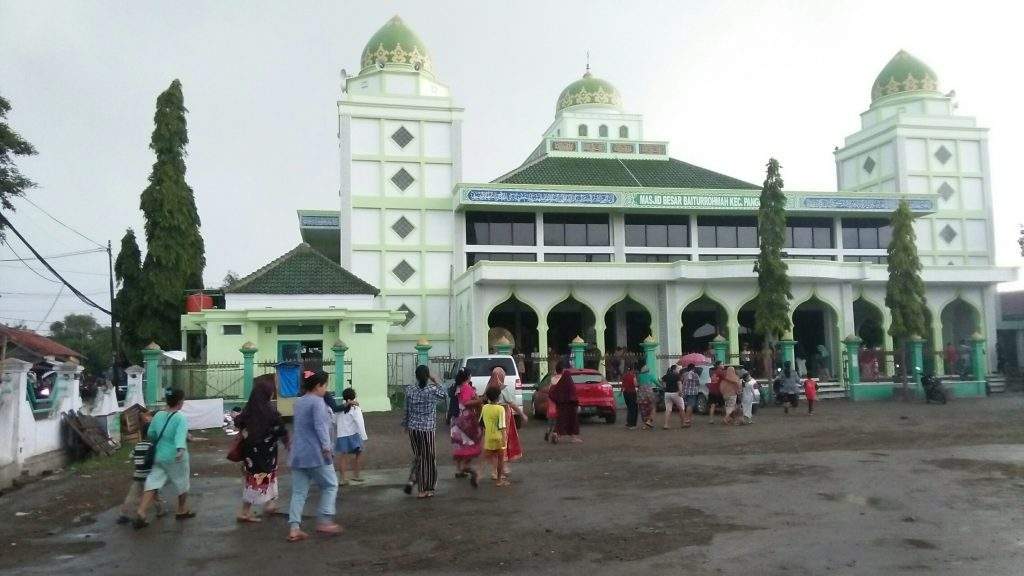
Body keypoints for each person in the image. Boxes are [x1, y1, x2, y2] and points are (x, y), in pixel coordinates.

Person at [286, 370, 341, 541]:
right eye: (325, 385)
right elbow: (320, 427)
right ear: (318, 386)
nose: (326, 389)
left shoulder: (299, 402)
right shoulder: (318, 403)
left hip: (298, 453)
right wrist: (327, 447)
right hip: (315, 452)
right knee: (331, 485)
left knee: (299, 492)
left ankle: (294, 527)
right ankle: (325, 520)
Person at [234, 375, 289, 523]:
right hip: (264, 455)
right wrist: (288, 445)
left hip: (251, 455)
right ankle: (244, 512)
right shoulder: (269, 412)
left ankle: (269, 504)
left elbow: (238, 422)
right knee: (258, 482)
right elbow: (281, 430)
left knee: (265, 478)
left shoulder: (249, 410)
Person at [134, 388, 192, 529]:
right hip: (175, 457)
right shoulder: (180, 417)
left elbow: (151, 433)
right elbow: (179, 435)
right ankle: (181, 509)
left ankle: (141, 511)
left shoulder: (159, 415)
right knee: (182, 483)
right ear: (179, 402)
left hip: (159, 455)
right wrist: (180, 449)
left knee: (153, 482)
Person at [402, 365, 447, 498]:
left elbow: (406, 408)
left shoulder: (410, 390)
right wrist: (435, 379)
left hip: (413, 428)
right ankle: (428, 488)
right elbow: (445, 393)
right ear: (427, 376)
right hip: (427, 428)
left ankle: (419, 487)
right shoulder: (432, 389)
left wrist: (406, 424)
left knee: (419, 457)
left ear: (416, 376)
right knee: (429, 458)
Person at [116, 410, 164, 524]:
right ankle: (159, 511)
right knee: (155, 495)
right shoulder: (152, 446)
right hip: (150, 476)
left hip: (138, 476)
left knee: (132, 496)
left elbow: (131, 456)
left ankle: (123, 514)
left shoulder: (138, 445)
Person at [487, 366, 526, 465]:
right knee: (503, 441)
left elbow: (484, 400)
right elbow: (511, 403)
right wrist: (522, 414)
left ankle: (495, 469)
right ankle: (501, 468)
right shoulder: (503, 388)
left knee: (493, 443)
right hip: (503, 418)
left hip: (491, 418)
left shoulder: (489, 387)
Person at [449, 368, 481, 485]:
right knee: (469, 443)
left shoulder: (456, 387)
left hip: (456, 419)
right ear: (468, 377)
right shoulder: (467, 387)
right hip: (466, 420)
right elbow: (466, 402)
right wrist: (479, 401)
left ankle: (460, 469)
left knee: (459, 444)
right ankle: (466, 467)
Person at [335, 388, 368, 485]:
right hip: (354, 434)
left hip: (341, 434)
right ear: (354, 397)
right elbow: (360, 422)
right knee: (358, 453)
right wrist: (364, 435)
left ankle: (343, 479)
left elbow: (333, 420)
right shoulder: (355, 408)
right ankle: (356, 475)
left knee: (343, 456)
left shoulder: (340, 408)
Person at [481, 387, 510, 486]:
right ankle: (499, 480)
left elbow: (482, 423)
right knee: (500, 459)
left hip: (488, 436)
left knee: (486, 457)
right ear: (498, 397)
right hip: (498, 437)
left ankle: (477, 476)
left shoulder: (484, 407)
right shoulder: (500, 408)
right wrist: (504, 439)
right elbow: (502, 426)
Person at [549, 367, 582, 443]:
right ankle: (574, 438)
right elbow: (574, 394)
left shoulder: (559, 382)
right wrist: (577, 403)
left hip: (561, 406)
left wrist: (557, 401)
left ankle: (556, 434)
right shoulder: (570, 383)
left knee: (560, 421)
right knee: (572, 422)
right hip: (571, 407)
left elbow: (552, 392)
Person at [662, 364, 685, 429]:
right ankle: (683, 423)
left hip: (667, 393)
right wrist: (680, 391)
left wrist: (665, 387)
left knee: (668, 409)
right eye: (677, 369)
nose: (678, 370)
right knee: (681, 408)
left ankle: (666, 424)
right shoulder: (677, 376)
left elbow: (663, 383)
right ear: (674, 369)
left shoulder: (666, 376)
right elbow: (679, 383)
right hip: (676, 393)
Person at [681, 362, 700, 428]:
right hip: (692, 392)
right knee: (690, 406)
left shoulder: (684, 374)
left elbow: (682, 382)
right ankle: (687, 419)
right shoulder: (696, 375)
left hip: (685, 392)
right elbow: (698, 383)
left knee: (684, 406)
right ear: (693, 368)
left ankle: (685, 419)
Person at [637, 365, 656, 430]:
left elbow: (637, 384)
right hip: (649, 394)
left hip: (641, 394)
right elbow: (656, 382)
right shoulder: (651, 375)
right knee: (652, 407)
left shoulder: (639, 376)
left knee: (643, 409)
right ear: (648, 370)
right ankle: (649, 421)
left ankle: (645, 425)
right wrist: (662, 386)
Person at [621, 363, 638, 429]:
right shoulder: (633, 376)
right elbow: (635, 384)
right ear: (632, 370)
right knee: (634, 409)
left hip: (625, 393)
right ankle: (632, 424)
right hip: (632, 393)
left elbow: (623, 385)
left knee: (629, 408)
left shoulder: (625, 375)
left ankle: (628, 422)